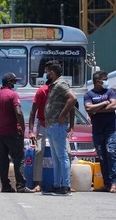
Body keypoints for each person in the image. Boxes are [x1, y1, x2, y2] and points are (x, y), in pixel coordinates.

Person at [0, 72, 33, 193]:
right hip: (12, 132)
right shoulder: (13, 95)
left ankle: (5, 185)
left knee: (3, 159)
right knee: (19, 158)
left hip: (0, 133)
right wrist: (23, 128)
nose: (15, 84)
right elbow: (18, 112)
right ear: (9, 83)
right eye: (14, 82)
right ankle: (21, 185)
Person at [44, 61, 77, 196]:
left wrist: (63, 115)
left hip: (57, 125)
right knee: (55, 157)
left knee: (62, 156)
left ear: (52, 72)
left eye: (47, 72)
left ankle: (66, 185)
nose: (46, 75)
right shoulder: (54, 85)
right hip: (51, 125)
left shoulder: (61, 84)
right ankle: (57, 184)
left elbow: (72, 99)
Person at [84, 70, 116, 193]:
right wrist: (104, 103)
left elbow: (114, 106)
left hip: (110, 130)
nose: (106, 81)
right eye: (105, 79)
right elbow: (88, 108)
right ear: (98, 81)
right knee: (102, 157)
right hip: (97, 131)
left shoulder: (110, 92)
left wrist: (96, 110)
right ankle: (107, 184)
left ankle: (115, 183)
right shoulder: (89, 94)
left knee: (112, 154)